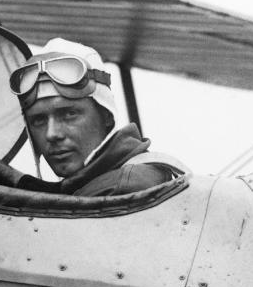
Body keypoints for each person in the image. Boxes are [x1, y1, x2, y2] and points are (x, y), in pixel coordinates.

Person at [9, 38, 187, 196]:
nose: (52, 134)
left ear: (106, 116)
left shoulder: (123, 190)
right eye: (38, 120)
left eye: (69, 114)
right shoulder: (87, 188)